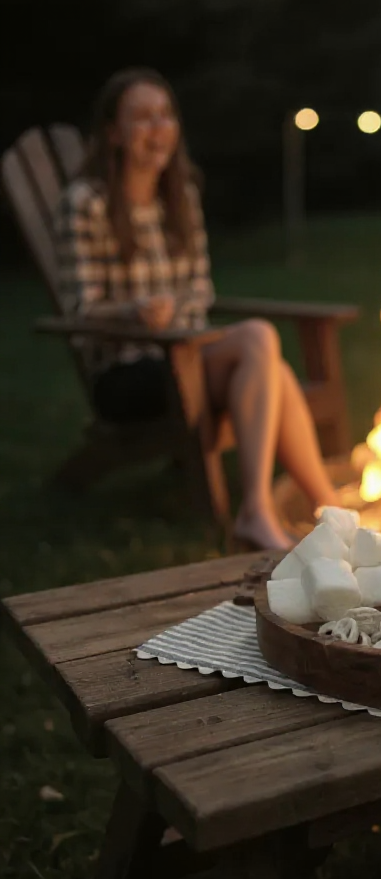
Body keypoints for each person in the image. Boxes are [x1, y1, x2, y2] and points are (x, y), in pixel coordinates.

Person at [57, 67, 340, 549]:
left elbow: (199, 293)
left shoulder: (181, 197)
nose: (158, 128)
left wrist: (180, 319)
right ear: (113, 132)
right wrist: (133, 312)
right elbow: (78, 308)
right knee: (258, 339)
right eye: (142, 118)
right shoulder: (86, 203)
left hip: (186, 356)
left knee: (274, 371)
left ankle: (331, 512)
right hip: (125, 374)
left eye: (165, 115)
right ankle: (256, 510)